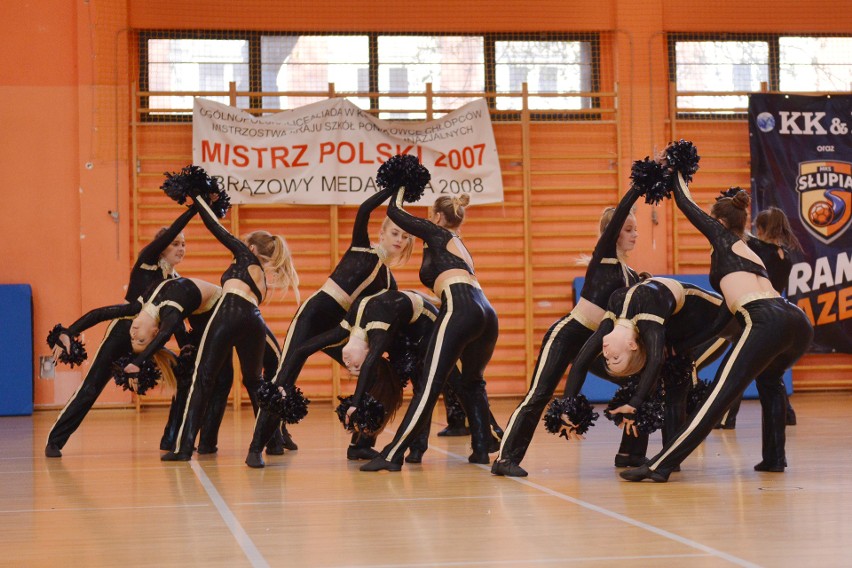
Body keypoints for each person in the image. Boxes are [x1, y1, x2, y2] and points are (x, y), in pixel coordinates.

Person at [621, 141, 813, 482]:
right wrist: (684, 347)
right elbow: (724, 318)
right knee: (770, 383)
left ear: (721, 221)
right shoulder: (752, 252)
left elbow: (684, 203)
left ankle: (660, 465)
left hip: (765, 319)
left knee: (715, 398)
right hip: (795, 322)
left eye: (713, 219)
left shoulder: (723, 239)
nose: (709, 223)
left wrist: (674, 168)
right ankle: (774, 458)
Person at [245, 191, 413, 465]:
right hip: (313, 315)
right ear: (382, 234)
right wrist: (394, 191)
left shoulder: (388, 282)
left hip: (341, 329)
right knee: (283, 379)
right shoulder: (361, 247)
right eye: (395, 233)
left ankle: (360, 443)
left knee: (379, 374)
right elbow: (364, 210)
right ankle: (255, 449)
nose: (399, 240)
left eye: (405, 237)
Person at [491, 181, 642, 477]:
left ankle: (630, 453)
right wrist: (640, 184)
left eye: (636, 229)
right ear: (612, 233)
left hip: (597, 343)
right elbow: (623, 207)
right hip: (570, 332)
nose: (634, 234)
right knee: (540, 392)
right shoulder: (604, 256)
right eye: (627, 229)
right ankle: (505, 458)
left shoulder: (631, 274)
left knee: (636, 386)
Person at [361, 157, 499, 472]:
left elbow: (394, 213)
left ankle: (393, 455)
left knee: (429, 385)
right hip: (486, 312)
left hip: (461, 307)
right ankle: (481, 448)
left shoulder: (436, 233)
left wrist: (398, 185)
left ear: (436, 216)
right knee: (472, 382)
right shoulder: (459, 244)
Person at [45, 205, 196, 457]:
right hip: (122, 331)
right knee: (91, 387)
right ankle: (55, 441)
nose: (181, 248)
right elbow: (105, 312)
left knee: (185, 374)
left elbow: (175, 321)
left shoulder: (176, 281)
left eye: (183, 244)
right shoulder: (147, 263)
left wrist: (188, 348)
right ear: (162, 247)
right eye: (175, 244)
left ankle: (171, 438)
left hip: (149, 341)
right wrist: (195, 207)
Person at [162, 184, 298, 461]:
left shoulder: (244, 255)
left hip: (229, 312)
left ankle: (185, 448)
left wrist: (198, 199)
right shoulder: (261, 276)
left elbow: (217, 229)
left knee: (204, 378)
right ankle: (262, 449)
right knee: (256, 383)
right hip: (254, 321)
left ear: (249, 247)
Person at [554, 276, 729, 463]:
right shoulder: (639, 325)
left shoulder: (632, 316)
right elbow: (581, 362)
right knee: (650, 381)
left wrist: (635, 403)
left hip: (719, 318)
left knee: (675, 382)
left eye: (612, 359)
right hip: (682, 326)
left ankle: (668, 458)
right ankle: (637, 455)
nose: (605, 353)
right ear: (633, 345)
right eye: (613, 358)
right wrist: (567, 409)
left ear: (633, 345)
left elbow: (654, 361)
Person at [715, 204, 803, 429]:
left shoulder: (759, 249)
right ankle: (788, 414)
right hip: (779, 313)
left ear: (763, 229)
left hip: (760, 314)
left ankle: (727, 418)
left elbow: (736, 234)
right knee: (770, 369)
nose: (753, 230)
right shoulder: (786, 255)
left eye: (756, 227)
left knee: (741, 365)